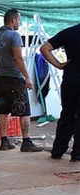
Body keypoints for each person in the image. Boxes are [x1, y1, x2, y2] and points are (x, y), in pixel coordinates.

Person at [0, 9, 41, 152]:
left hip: (0, 78)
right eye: (18, 20)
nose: (18, 22)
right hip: (15, 78)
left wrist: (0, 74)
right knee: (24, 110)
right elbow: (18, 58)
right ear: (13, 20)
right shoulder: (14, 36)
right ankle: (26, 142)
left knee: (3, 110)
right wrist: (27, 77)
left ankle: (4, 141)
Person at [40, 23, 80, 162]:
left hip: (70, 79)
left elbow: (45, 49)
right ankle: (77, 154)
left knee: (67, 114)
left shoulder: (69, 32)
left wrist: (59, 65)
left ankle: (58, 150)